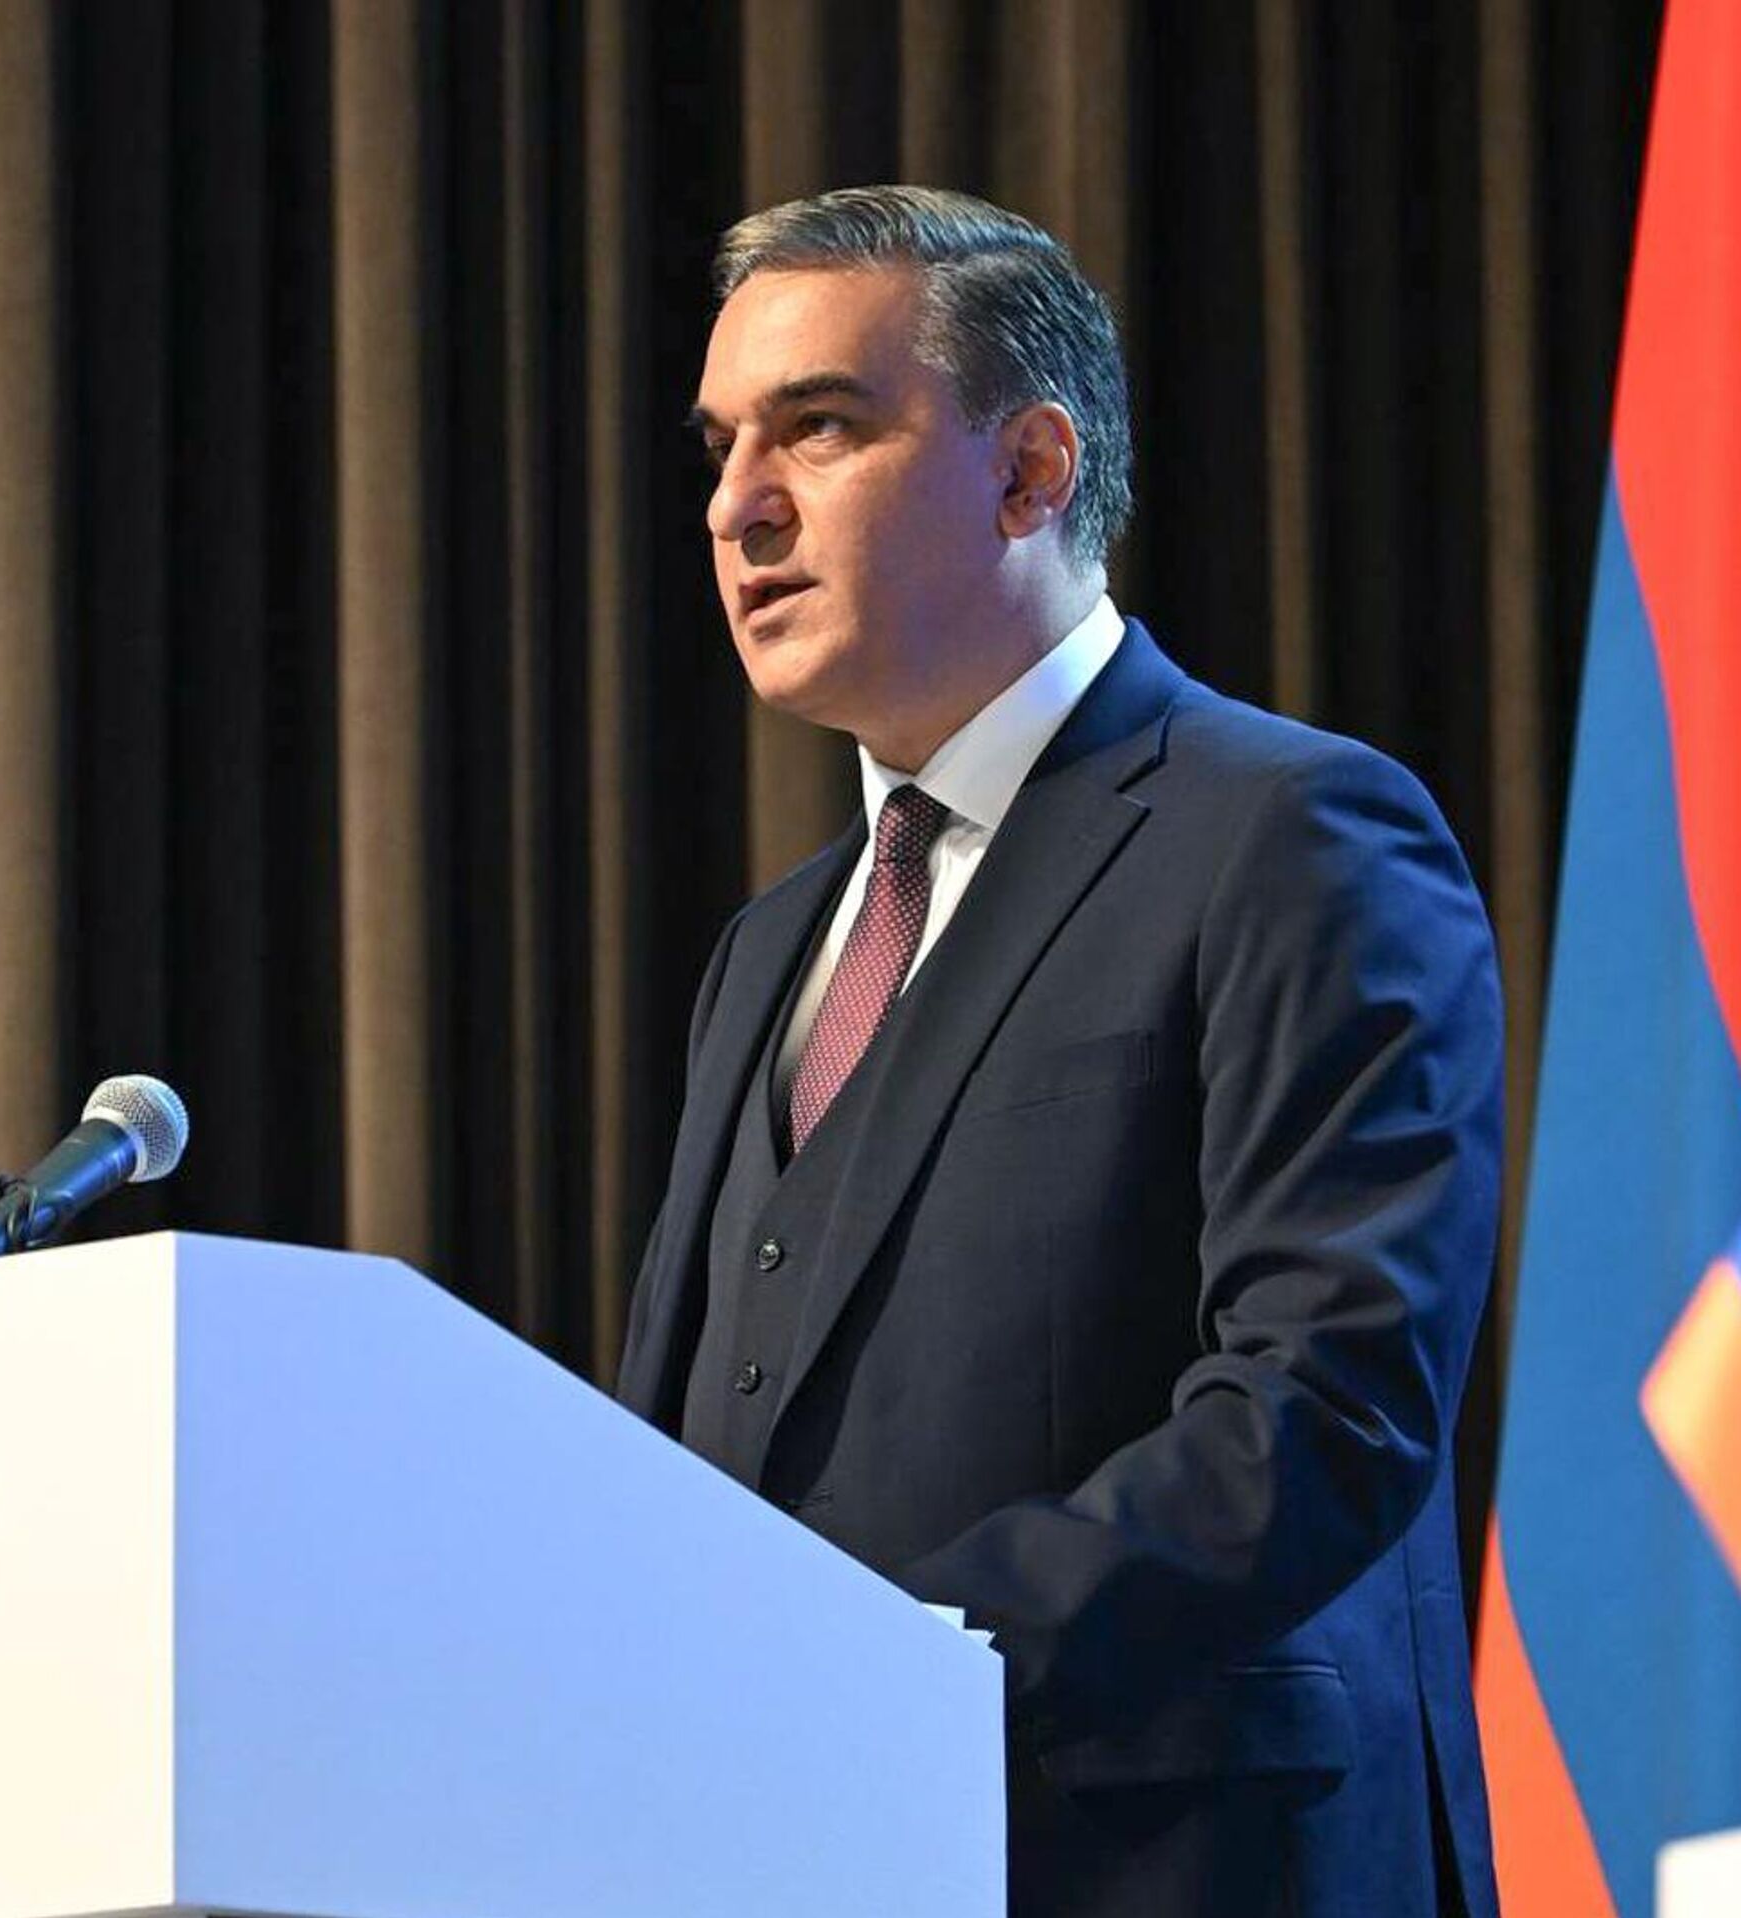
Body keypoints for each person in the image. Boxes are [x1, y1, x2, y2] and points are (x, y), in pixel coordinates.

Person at [616, 185, 1502, 1918]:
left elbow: (1324, 1408)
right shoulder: (765, 953)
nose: (737, 504)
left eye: (818, 426)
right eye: (722, 446)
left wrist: (888, 1674)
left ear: (1031, 472)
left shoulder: (1293, 834)